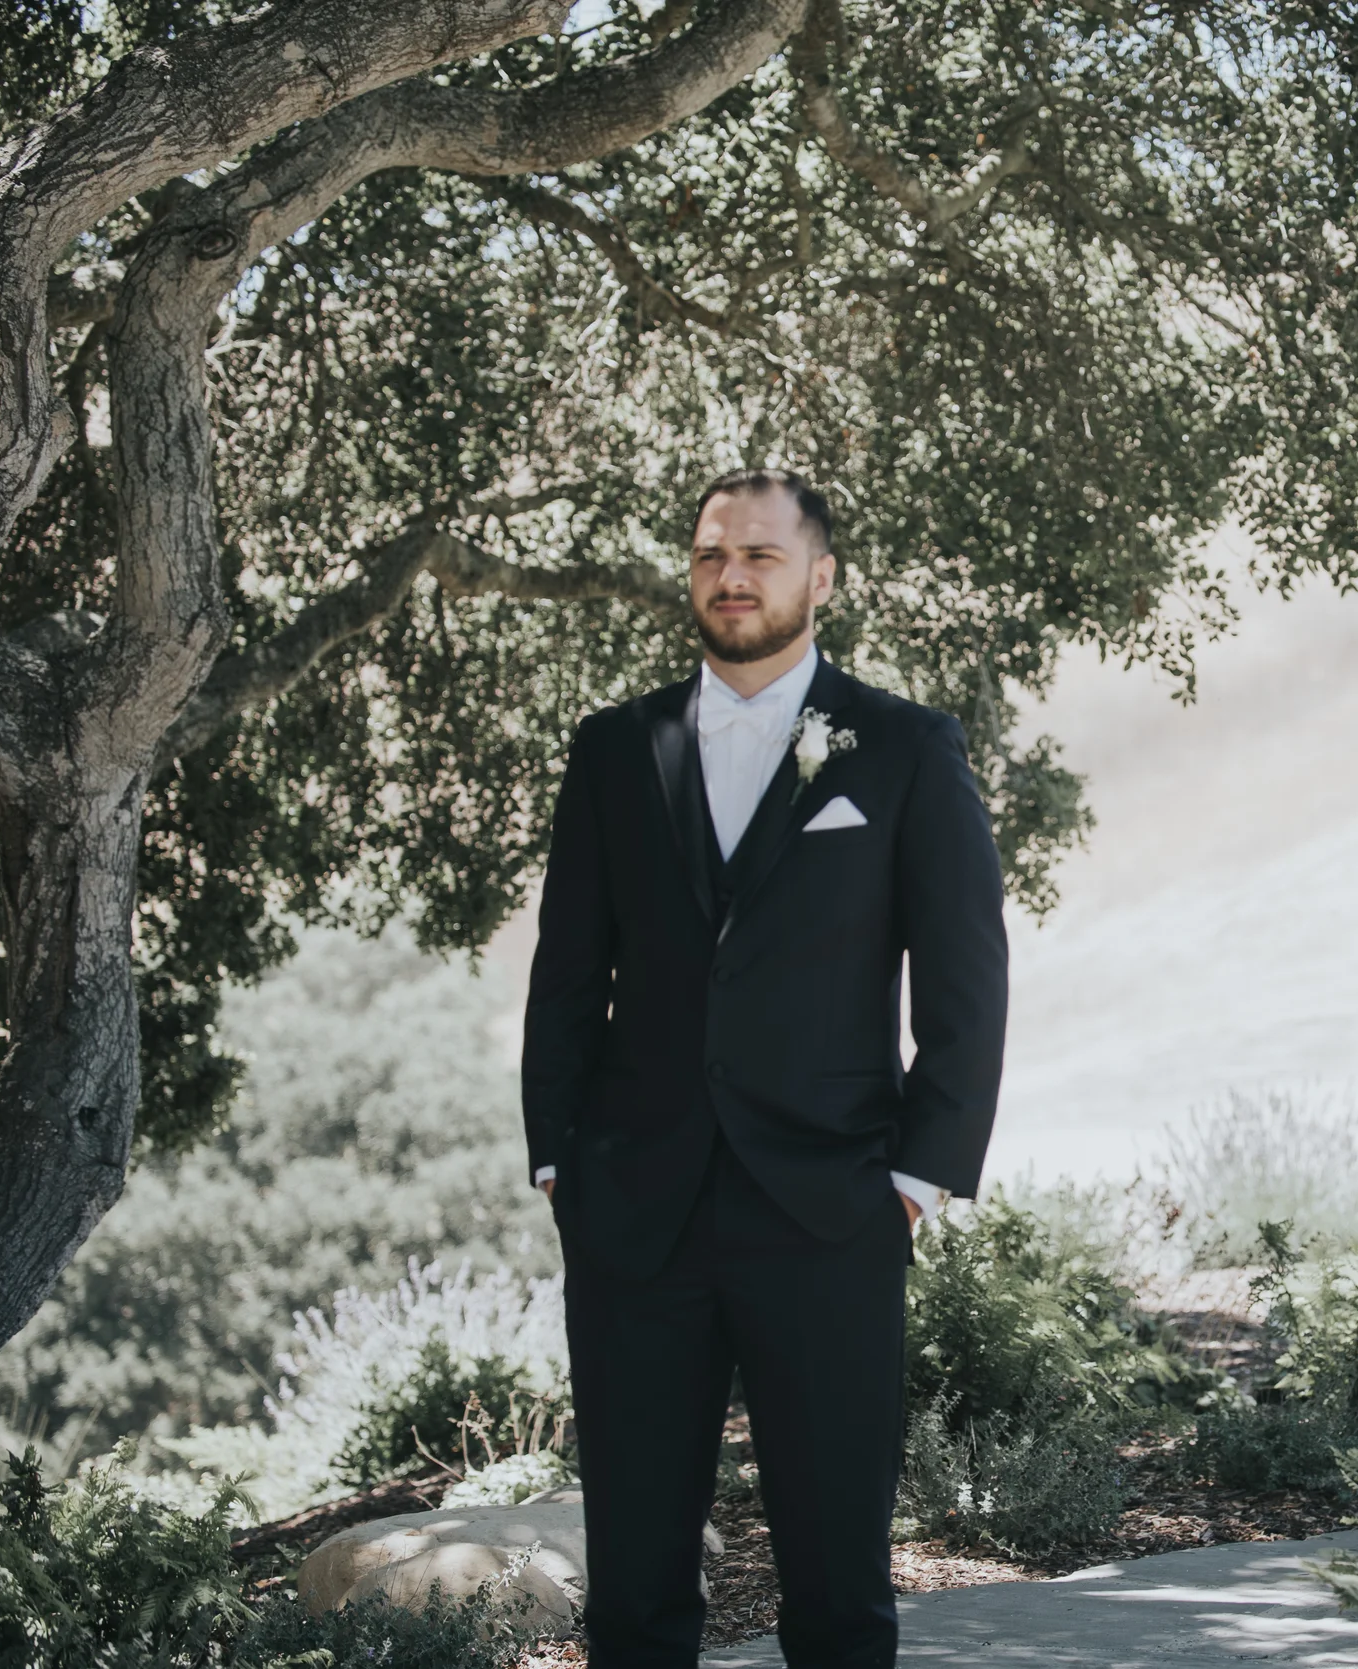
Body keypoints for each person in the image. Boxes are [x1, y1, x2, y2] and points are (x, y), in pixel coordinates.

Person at [520, 468, 1009, 1668]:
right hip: (636, 1211)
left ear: (822, 578)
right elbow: (568, 973)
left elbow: (965, 984)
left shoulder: (902, 748)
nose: (730, 577)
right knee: (633, 1583)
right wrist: (558, 1162)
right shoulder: (613, 748)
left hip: (831, 1209)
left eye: (759, 556)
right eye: (708, 556)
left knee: (839, 1584)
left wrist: (917, 1177)